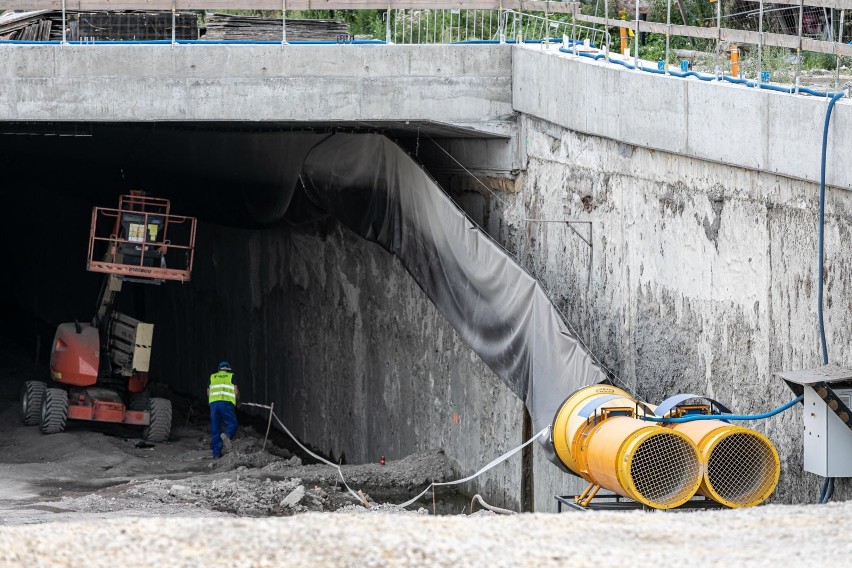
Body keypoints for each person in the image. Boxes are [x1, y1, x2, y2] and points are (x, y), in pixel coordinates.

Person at [208, 361, 239, 459]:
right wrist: (238, 402)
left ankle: (216, 454)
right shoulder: (231, 376)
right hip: (226, 404)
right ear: (228, 369)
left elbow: (208, 392)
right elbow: (236, 391)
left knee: (215, 429)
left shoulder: (212, 377)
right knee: (232, 424)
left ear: (219, 369)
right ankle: (226, 436)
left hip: (214, 405)